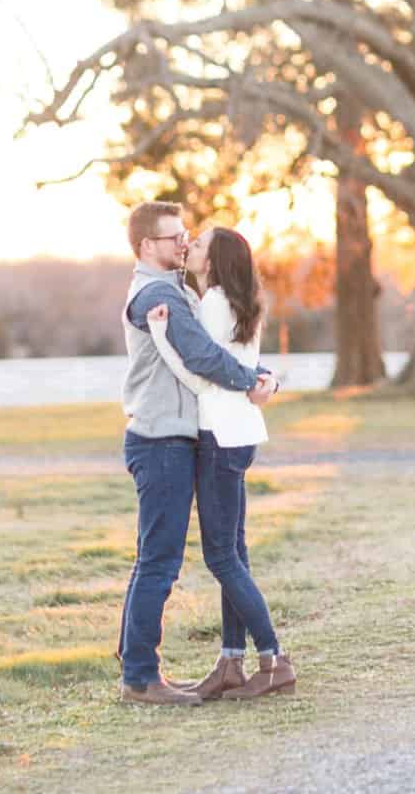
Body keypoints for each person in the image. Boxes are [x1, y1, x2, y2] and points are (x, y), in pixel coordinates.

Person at [117, 201, 276, 707]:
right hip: (161, 439)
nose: (183, 244)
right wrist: (253, 382)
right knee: (159, 562)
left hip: (183, 439)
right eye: (173, 238)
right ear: (147, 246)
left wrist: (262, 375)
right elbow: (207, 358)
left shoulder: (180, 290)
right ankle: (142, 678)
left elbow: (225, 346)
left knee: (162, 559)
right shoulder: (156, 293)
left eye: (187, 236)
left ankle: (146, 668)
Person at [148, 225, 296, 701]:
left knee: (221, 556)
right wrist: (263, 379)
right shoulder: (240, 301)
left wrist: (159, 336)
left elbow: (201, 373)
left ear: (213, 262)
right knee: (234, 551)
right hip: (243, 433)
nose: (189, 247)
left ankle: (273, 660)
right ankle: (232, 662)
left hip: (221, 436)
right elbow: (239, 369)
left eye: (200, 245)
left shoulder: (213, 304)